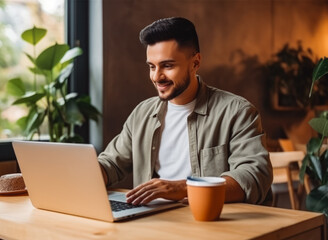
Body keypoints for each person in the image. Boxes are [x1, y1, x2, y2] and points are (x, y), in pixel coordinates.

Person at [98, 17, 273, 206]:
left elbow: (252, 177)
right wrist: (80, 174)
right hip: (152, 223)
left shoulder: (238, 112)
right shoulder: (142, 113)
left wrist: (182, 188)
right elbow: (111, 164)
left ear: (195, 62)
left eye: (167, 65)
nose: (157, 77)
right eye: (151, 66)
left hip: (213, 226)